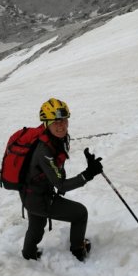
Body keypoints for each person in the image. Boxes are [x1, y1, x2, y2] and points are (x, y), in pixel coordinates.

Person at [21, 97, 103, 262]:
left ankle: (28, 254)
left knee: (36, 227)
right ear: (46, 123)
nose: (61, 125)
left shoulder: (58, 139)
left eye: (64, 120)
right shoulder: (44, 150)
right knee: (80, 213)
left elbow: (57, 170)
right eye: (55, 122)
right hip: (38, 198)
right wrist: (87, 174)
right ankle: (78, 249)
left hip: (31, 193)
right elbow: (61, 184)